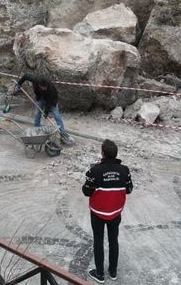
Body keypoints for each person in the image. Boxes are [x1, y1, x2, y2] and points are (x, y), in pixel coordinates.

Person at [82, 139, 133, 283]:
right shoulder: (125, 170)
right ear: (116, 154)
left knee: (98, 241)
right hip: (115, 213)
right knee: (113, 240)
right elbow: (129, 189)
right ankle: (113, 272)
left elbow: (86, 191)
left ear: (102, 154)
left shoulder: (94, 171)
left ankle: (99, 274)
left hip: (97, 213)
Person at [13, 73, 72, 144]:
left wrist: (46, 112)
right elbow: (25, 76)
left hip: (51, 100)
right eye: (44, 87)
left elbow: (49, 102)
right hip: (40, 98)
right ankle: (36, 130)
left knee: (57, 115)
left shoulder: (51, 89)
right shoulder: (35, 79)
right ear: (39, 85)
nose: (45, 88)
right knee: (37, 113)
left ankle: (62, 133)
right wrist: (19, 84)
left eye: (46, 87)